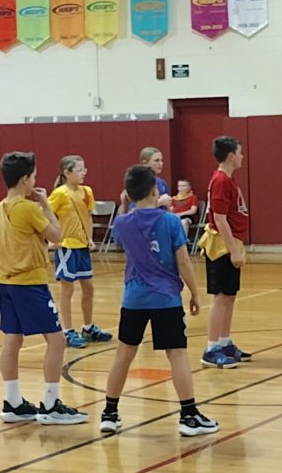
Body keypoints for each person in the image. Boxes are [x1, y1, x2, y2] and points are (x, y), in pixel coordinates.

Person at [101, 165, 219, 436]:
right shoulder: (170, 221)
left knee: (123, 355)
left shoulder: (122, 223)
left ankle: (109, 413)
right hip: (165, 297)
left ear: (129, 194)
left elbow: (124, 220)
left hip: (133, 298)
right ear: (155, 191)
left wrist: (123, 203)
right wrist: (195, 293)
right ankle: (188, 415)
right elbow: (183, 261)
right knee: (176, 354)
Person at [0, 151, 88, 425]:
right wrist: (45, 205)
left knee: (12, 339)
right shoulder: (27, 208)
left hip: (5, 283)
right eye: (33, 176)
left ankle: (13, 402)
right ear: (25, 179)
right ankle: (50, 405)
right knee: (57, 341)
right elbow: (58, 236)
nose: (36, 180)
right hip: (29, 284)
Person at [48, 155, 112, 349]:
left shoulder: (87, 191)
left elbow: (88, 217)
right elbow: (46, 215)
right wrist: (52, 239)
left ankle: (88, 327)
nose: (83, 173)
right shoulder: (60, 193)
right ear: (67, 173)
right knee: (68, 289)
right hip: (66, 246)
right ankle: (67, 331)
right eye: (79, 169)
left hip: (82, 246)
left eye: (85, 169)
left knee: (89, 288)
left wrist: (90, 238)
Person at [198, 136, 251, 368]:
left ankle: (224, 341)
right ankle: (211, 348)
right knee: (220, 297)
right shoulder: (220, 180)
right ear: (231, 156)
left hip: (231, 243)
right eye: (239, 153)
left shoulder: (228, 179)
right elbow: (219, 219)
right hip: (221, 246)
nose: (242, 156)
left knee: (229, 296)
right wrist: (232, 250)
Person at [119, 147, 173, 213]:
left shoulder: (162, 182)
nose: (160, 164)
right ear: (145, 163)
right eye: (156, 160)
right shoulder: (138, 182)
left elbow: (167, 207)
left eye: (161, 160)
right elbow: (134, 210)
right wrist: (160, 202)